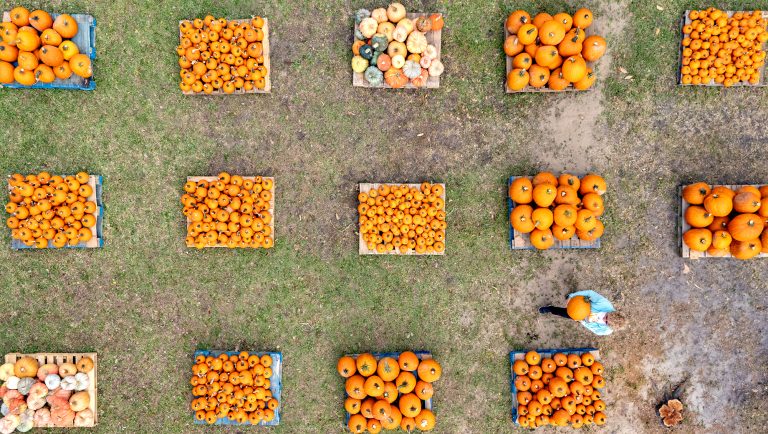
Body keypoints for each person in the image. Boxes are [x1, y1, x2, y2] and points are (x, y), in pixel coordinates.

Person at [539, 290, 626, 336]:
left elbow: (593, 329)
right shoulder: (604, 304)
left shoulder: (605, 330)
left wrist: (583, 321)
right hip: (582, 305)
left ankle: (550, 309)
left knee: (563, 313)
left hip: (581, 317)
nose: (604, 319)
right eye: (607, 316)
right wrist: (572, 296)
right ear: (611, 312)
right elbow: (589, 293)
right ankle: (573, 295)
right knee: (574, 298)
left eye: (606, 322)